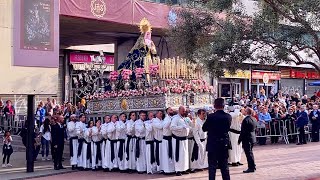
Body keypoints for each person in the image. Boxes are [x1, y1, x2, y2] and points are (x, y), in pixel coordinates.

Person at [203, 98, 231, 180]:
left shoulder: (211, 117)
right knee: (224, 166)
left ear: (214, 106)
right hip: (224, 143)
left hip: (213, 143)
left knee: (212, 167)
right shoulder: (228, 117)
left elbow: (204, 128)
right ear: (224, 105)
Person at [170, 106, 190, 176]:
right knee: (178, 155)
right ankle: (178, 170)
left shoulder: (184, 118)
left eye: (185, 111)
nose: (184, 112)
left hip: (184, 139)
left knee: (184, 155)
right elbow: (172, 127)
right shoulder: (175, 118)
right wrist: (181, 128)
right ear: (179, 110)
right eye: (183, 111)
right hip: (177, 140)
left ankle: (184, 169)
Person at [238, 108, 257, 173]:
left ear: (247, 112)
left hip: (247, 139)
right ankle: (253, 165)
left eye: (245, 111)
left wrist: (239, 139)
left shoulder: (246, 120)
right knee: (250, 153)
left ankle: (251, 167)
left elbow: (243, 131)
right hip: (252, 138)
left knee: (248, 154)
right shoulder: (254, 119)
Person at [161, 107, 175, 174]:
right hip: (166, 139)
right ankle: (167, 170)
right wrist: (170, 121)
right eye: (170, 110)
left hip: (172, 138)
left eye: (172, 110)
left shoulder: (173, 118)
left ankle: (172, 169)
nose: (172, 111)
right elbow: (165, 126)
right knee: (166, 155)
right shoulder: (166, 119)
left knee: (172, 154)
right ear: (167, 112)